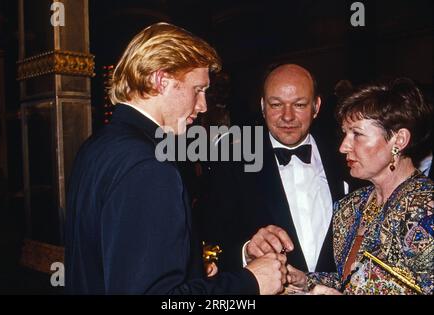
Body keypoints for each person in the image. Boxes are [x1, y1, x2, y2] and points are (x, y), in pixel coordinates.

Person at [65, 22, 290, 294]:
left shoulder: (96, 146)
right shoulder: (149, 166)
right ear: (161, 81)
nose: (203, 106)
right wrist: (250, 283)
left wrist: (190, 270)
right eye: (198, 89)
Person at [282, 78, 433, 294]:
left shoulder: (425, 210)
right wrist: (304, 280)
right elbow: (348, 279)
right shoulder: (352, 205)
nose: (343, 146)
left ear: (399, 140)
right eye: (345, 133)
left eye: (357, 134)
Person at [199, 64, 348, 274]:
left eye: (299, 105)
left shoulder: (346, 158)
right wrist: (246, 253)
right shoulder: (231, 163)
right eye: (276, 105)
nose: (287, 116)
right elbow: (209, 240)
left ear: (316, 106)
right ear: (262, 106)